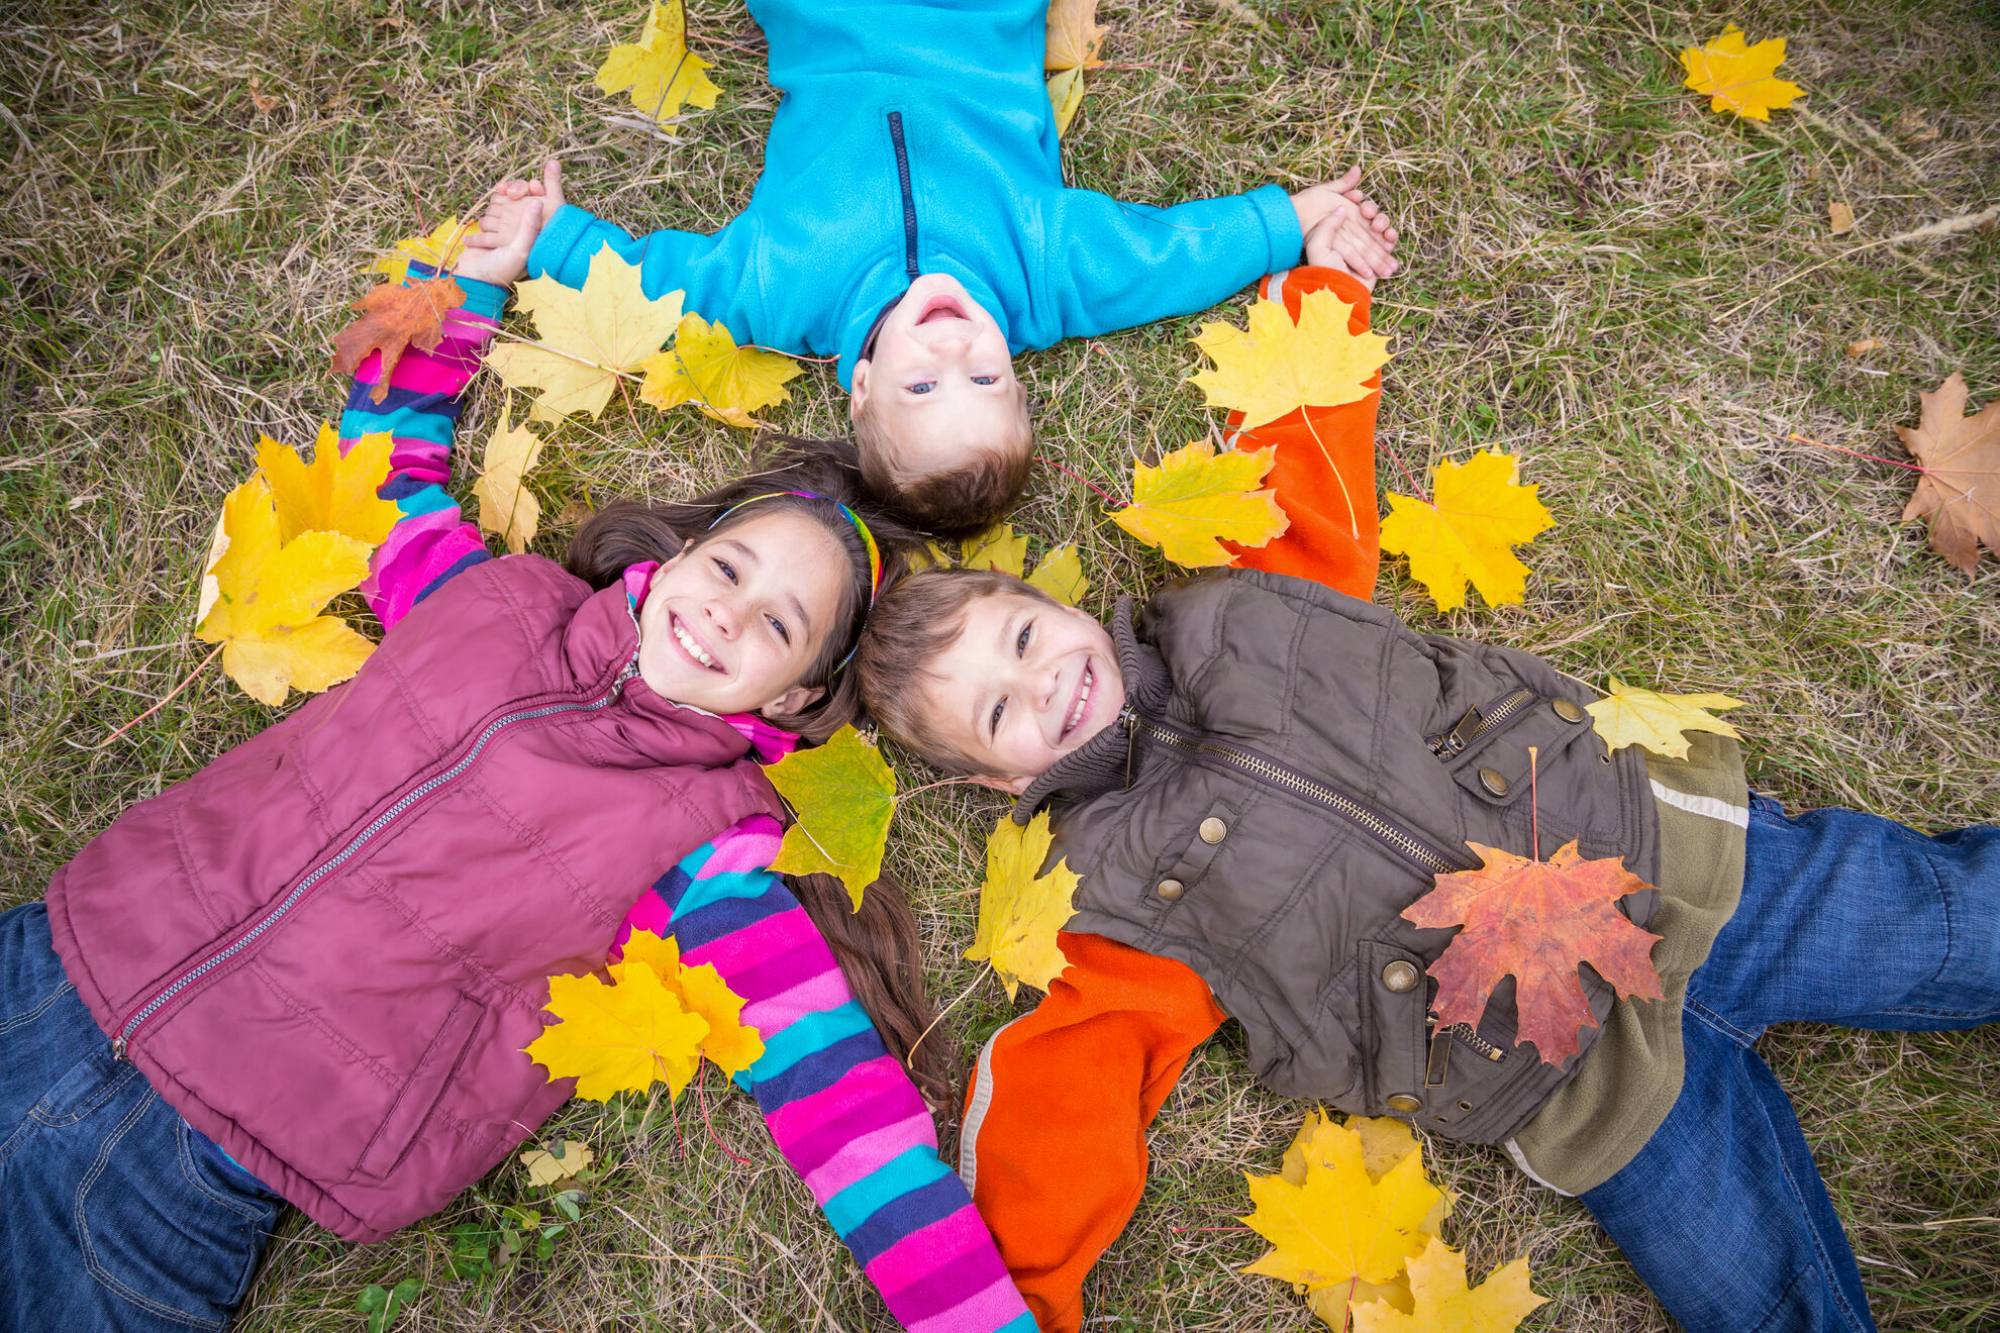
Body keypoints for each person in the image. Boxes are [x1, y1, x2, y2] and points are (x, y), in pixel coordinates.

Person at [848, 212, 1999, 1333]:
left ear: (1050, 605)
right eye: (997, 712)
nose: (1039, 683)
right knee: (1764, 1304)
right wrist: (1010, 1295)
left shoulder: (1235, 608)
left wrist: (1321, 280)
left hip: (1686, 866)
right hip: (1569, 1075)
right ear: (997, 784)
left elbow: (1307, 455)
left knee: (1956, 920)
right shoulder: (1104, 900)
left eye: (1019, 639)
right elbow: (1067, 1087)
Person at [1, 186, 1036, 1333]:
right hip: (58, 960)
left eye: (782, 627)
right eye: (733, 569)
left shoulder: (711, 851)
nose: (731, 616)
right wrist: (465, 292)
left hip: (187, 1176)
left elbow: (845, 1118)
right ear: (683, 555)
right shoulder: (488, 600)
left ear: (790, 697)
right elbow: (383, 471)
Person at [497, 0, 1398, 534]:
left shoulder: (779, 294)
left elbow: (662, 290)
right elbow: (1169, 259)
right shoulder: (1045, 277)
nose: (952, 350)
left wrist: (554, 240)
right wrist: (1291, 220)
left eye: (922, 390)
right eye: (986, 376)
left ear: (858, 388)